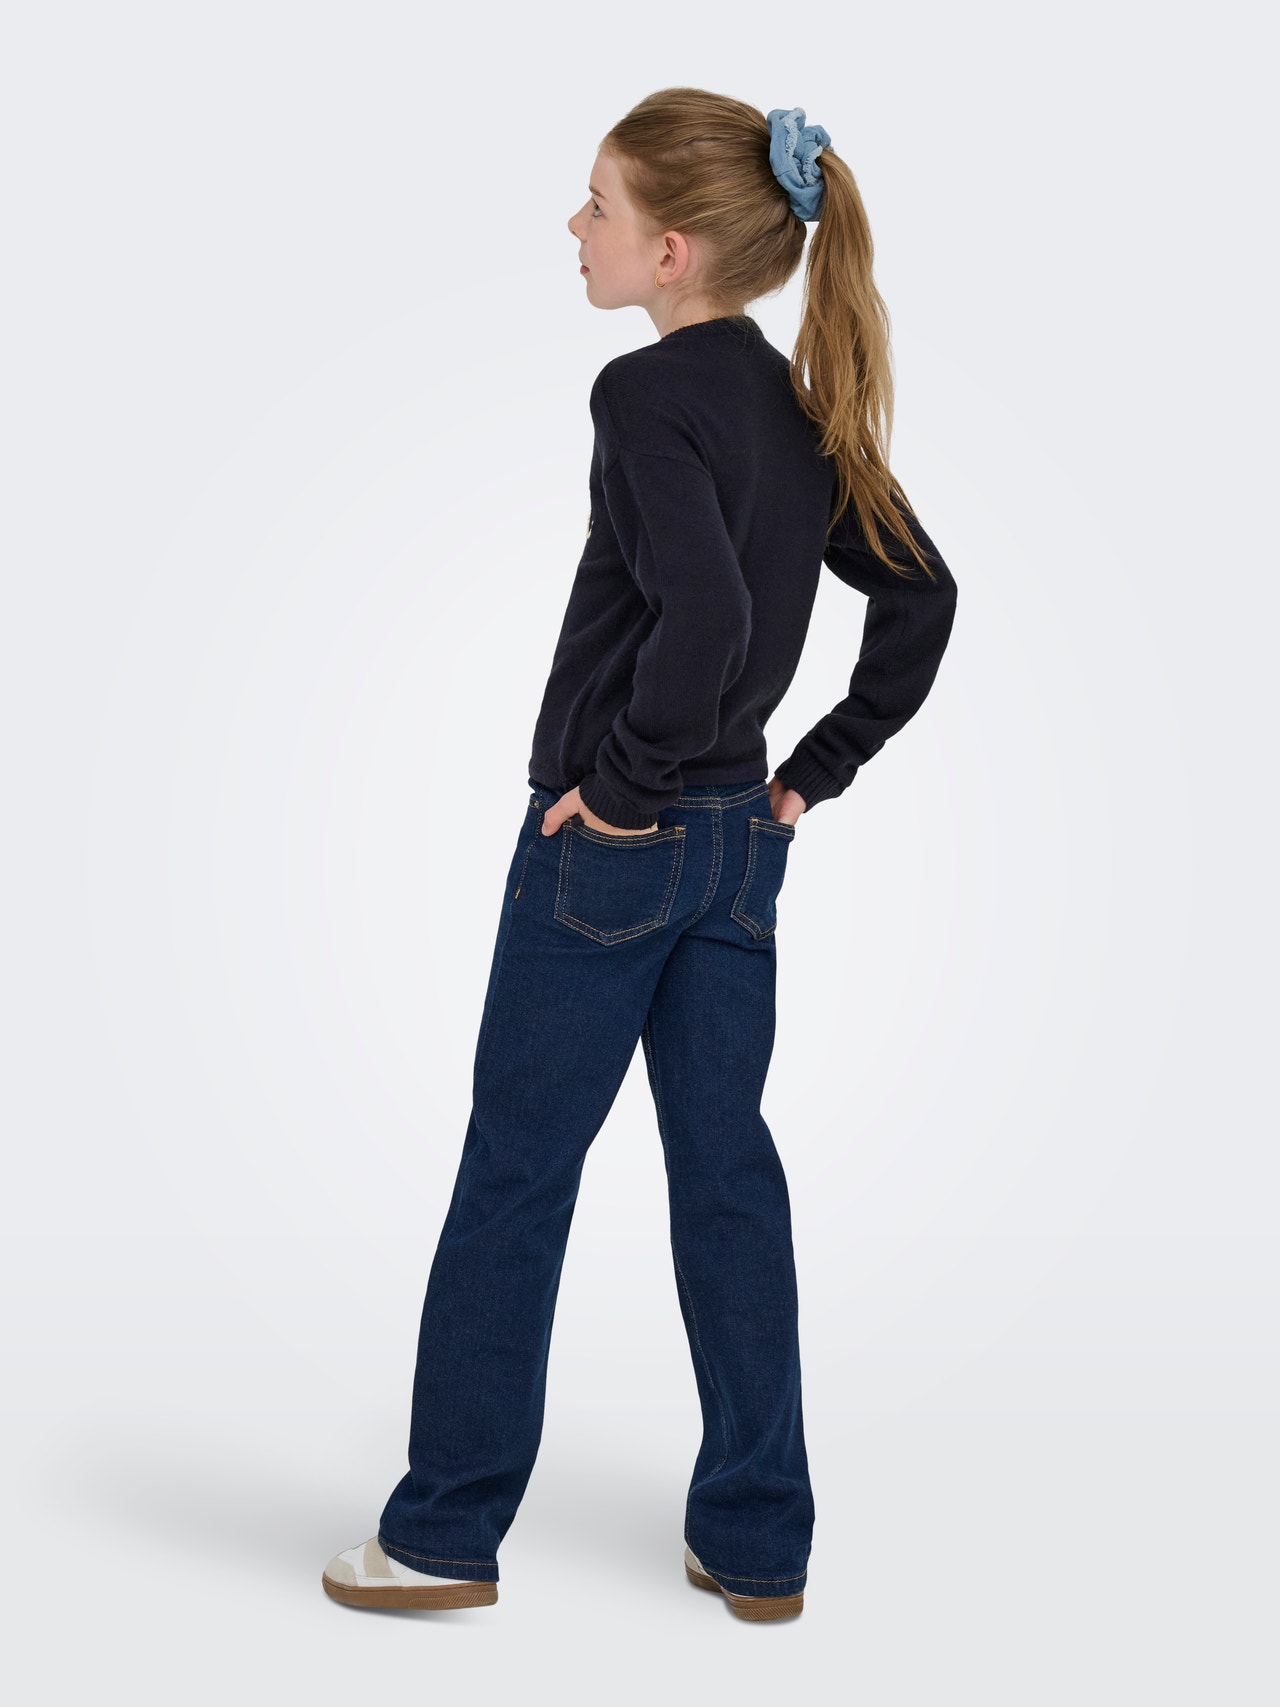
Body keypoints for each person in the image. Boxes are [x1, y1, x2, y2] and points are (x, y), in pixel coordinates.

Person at [323, 88, 958, 1623]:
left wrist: (615, 794)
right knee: (726, 1179)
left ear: (671, 251)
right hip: (739, 852)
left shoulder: (645, 395)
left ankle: (443, 1532)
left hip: (615, 850)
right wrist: (806, 777)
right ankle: (758, 1540)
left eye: (596, 205)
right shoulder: (800, 405)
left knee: (517, 1175)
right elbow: (921, 596)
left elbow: (707, 621)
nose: (574, 227)